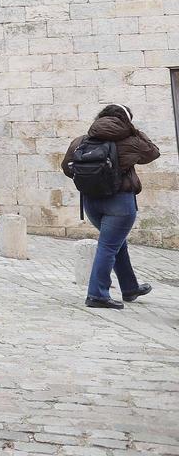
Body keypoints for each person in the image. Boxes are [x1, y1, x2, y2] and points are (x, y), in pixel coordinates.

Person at [61, 104, 160, 309]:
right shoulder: (130, 141)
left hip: (91, 203)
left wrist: (92, 180)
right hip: (120, 204)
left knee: (115, 243)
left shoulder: (81, 141)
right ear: (126, 121)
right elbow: (153, 152)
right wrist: (134, 130)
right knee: (108, 246)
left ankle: (130, 287)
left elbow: (66, 167)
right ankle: (97, 294)